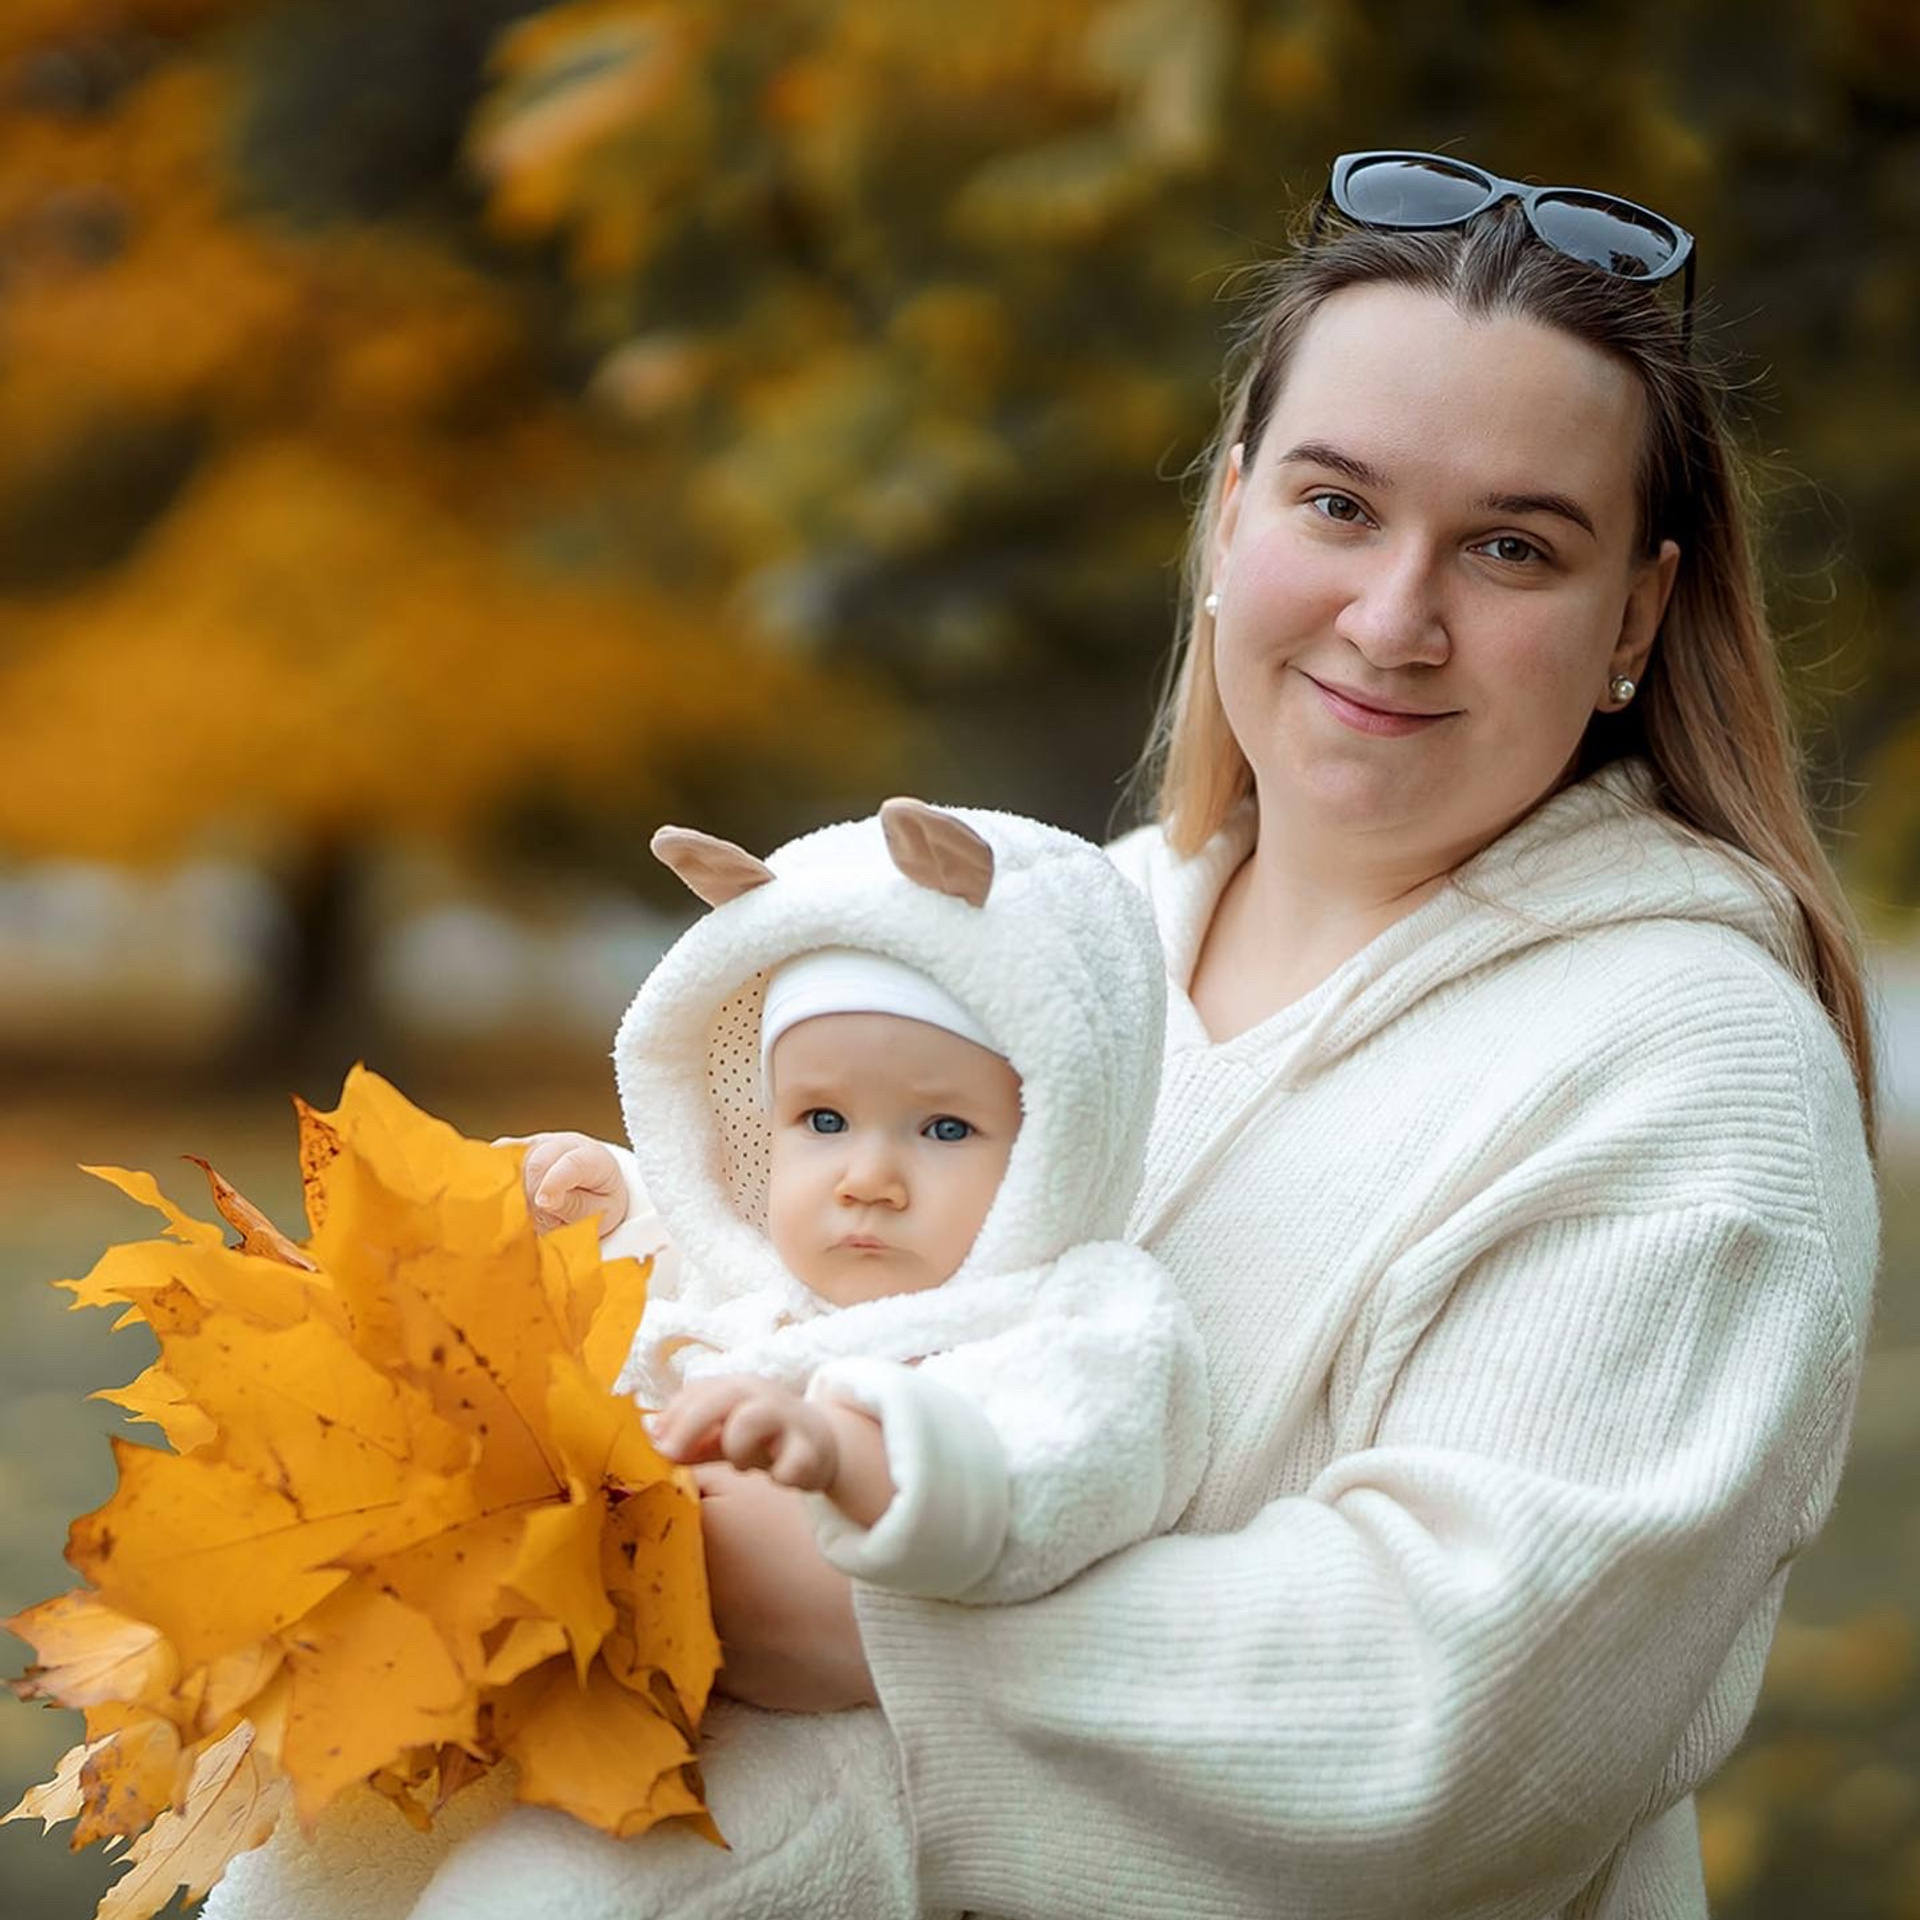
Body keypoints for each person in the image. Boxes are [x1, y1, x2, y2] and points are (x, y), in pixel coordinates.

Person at [451, 151, 1870, 1918]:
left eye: (1513, 547)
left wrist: (860, 1630)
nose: (1395, 615)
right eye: (1338, 507)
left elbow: (1459, 1716)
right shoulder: (1045, 948)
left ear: (1635, 621)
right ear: (1227, 521)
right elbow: (776, 1274)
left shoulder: (1691, 1066)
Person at [202, 797, 1206, 1920]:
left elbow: (1078, 1464)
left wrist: (854, 1455)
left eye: (942, 1129)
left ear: (1062, 1137)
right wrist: (610, 1204)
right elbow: (678, 1278)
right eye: (822, 1121)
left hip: (829, 1753)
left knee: (544, 1899)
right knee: (322, 1855)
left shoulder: (1073, 1314)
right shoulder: (770, 1279)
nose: (866, 1176)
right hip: (603, 1669)